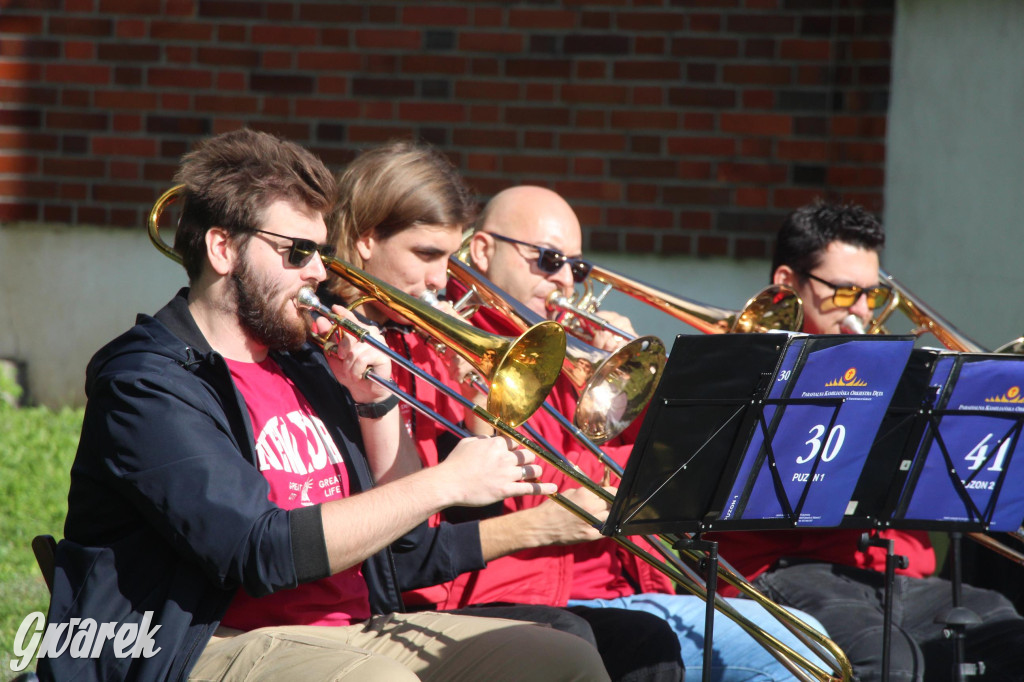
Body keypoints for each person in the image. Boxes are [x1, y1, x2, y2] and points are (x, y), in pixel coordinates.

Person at [37, 129, 613, 682]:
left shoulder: (307, 361)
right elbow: (259, 552)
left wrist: (376, 403)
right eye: (298, 252)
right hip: (205, 644)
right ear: (222, 249)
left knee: (563, 659)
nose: (319, 270)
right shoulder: (148, 381)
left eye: (321, 251)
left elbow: (405, 541)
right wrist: (447, 483)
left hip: (355, 628)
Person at [324, 140, 686, 682]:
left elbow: (506, 469)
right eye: (426, 256)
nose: (441, 281)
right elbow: (414, 529)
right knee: (573, 642)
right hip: (416, 591)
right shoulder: (345, 346)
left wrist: (480, 398)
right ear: (365, 240)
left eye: (447, 259)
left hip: (489, 575)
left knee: (647, 643)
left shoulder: (437, 336)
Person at [456, 185, 837, 682]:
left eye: (578, 267)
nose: (566, 282)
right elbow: (532, 483)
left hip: (621, 586)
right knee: (792, 652)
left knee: (809, 641)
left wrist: (631, 384)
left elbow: (655, 472)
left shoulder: (574, 353)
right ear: (484, 251)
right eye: (549, 260)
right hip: (537, 597)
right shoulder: (463, 348)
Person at [711, 200, 1024, 682]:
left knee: (1003, 628)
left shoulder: (889, 377)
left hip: (886, 576)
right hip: (784, 569)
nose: (860, 311)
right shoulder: (741, 367)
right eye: (843, 293)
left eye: (871, 296)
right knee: (889, 662)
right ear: (786, 284)